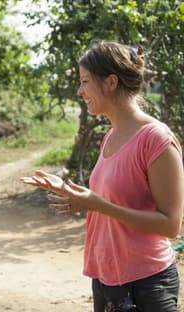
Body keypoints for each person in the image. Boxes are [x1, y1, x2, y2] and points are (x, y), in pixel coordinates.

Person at [21, 41, 184, 311]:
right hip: (107, 278)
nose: (79, 91)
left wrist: (98, 205)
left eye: (85, 81)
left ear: (110, 82)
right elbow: (111, 199)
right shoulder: (110, 137)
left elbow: (171, 225)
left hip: (146, 284)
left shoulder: (156, 140)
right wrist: (73, 192)